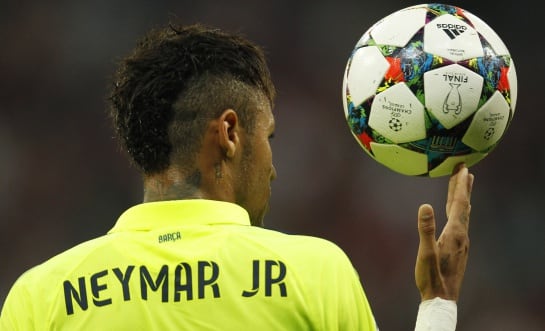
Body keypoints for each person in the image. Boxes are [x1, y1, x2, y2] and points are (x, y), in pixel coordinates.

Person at [0, 23, 474, 330]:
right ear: (228, 132)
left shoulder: (41, 297)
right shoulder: (314, 273)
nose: (274, 167)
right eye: (268, 136)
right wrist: (438, 305)